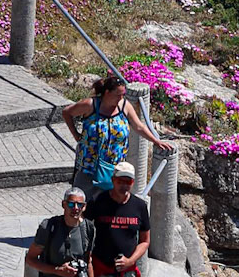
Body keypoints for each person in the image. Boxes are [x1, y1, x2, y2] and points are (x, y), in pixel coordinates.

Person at [63, 72, 172, 204]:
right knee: (80, 202)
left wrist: (155, 141)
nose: (120, 98)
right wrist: (76, 135)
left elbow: (138, 126)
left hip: (114, 168)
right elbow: (67, 112)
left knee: (108, 206)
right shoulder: (90, 105)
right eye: (117, 95)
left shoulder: (124, 106)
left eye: (123, 95)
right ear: (107, 93)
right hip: (89, 167)